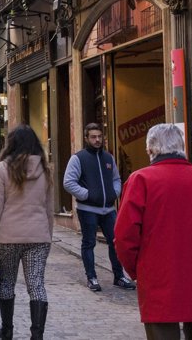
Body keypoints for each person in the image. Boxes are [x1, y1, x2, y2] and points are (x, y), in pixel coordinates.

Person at [115, 123, 192, 340]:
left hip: (157, 276)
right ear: (181, 148)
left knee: (161, 333)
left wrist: (136, 270)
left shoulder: (141, 180)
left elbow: (124, 236)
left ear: (151, 150)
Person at [0, 125, 54, 340]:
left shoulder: (3, 169)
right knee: (36, 284)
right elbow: (49, 207)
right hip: (38, 236)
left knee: (7, 283)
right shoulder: (45, 168)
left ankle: (7, 330)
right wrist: (47, 235)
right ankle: (37, 335)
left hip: (7, 237)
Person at [62, 123, 135, 292]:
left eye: (99, 137)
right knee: (89, 243)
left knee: (115, 243)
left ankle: (119, 276)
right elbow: (68, 182)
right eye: (93, 137)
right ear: (86, 138)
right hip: (87, 209)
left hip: (109, 209)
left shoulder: (108, 158)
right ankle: (92, 277)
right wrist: (87, 195)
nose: (97, 140)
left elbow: (116, 178)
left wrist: (114, 192)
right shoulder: (78, 158)